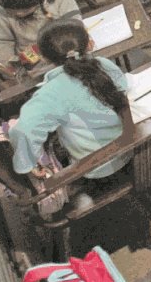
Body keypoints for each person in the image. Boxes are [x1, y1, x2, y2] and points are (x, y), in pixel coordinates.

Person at [9, 19, 130, 182]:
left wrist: (28, 163)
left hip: (96, 169)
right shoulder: (104, 65)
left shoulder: (51, 93)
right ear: (90, 44)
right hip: (128, 148)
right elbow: (124, 92)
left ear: (44, 58)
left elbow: (23, 131)